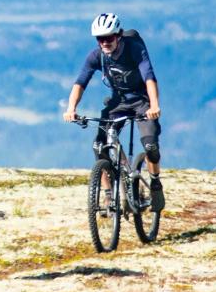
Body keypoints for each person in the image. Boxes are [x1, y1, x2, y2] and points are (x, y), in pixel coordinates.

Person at [62, 11, 164, 211]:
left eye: (108, 38)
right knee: (99, 146)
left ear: (118, 35)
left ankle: (155, 183)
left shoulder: (135, 50)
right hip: (118, 103)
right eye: (100, 39)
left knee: (150, 146)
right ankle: (109, 194)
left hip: (142, 101)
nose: (104, 43)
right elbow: (80, 82)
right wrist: (71, 108)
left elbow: (149, 77)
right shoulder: (97, 56)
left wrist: (154, 105)